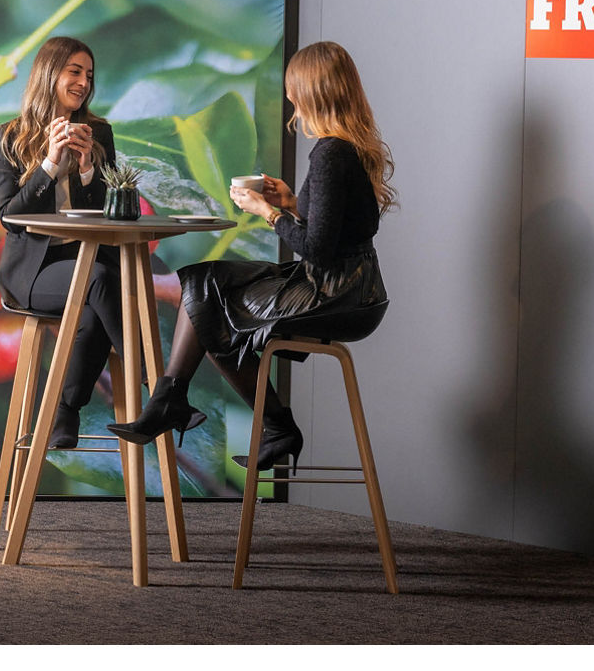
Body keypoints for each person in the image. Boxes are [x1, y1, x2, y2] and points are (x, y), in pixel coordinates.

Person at [108, 41, 395, 472]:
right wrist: (294, 203)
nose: (289, 96)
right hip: (354, 287)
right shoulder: (348, 146)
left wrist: (267, 212)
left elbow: (316, 247)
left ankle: (198, 407)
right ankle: (177, 400)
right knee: (204, 285)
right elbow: (342, 229)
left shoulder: (331, 153)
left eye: (293, 88)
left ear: (310, 91)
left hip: (335, 294)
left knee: (209, 300)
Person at [0, 35, 122, 450]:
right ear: (50, 74)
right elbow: (11, 218)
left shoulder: (99, 132)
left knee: (93, 313)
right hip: (33, 272)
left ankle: (66, 413)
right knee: (99, 281)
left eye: (89, 75)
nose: (84, 82)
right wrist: (48, 164)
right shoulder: (8, 137)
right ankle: (151, 380)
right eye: (75, 71)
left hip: (81, 261)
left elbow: (110, 212)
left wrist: (86, 170)